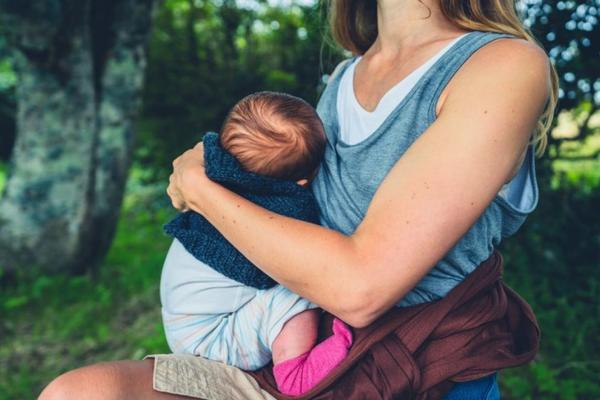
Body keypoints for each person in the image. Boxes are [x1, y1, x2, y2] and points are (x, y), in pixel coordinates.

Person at [38, 0, 558, 399]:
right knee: (77, 392)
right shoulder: (344, 79)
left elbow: (361, 287)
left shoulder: (501, 65)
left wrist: (202, 189)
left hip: (406, 368)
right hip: (291, 343)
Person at [160, 91, 353, 396]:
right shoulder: (285, 212)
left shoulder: (212, 171)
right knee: (296, 290)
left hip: (181, 319)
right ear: (302, 182)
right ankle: (295, 371)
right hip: (211, 340)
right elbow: (301, 266)